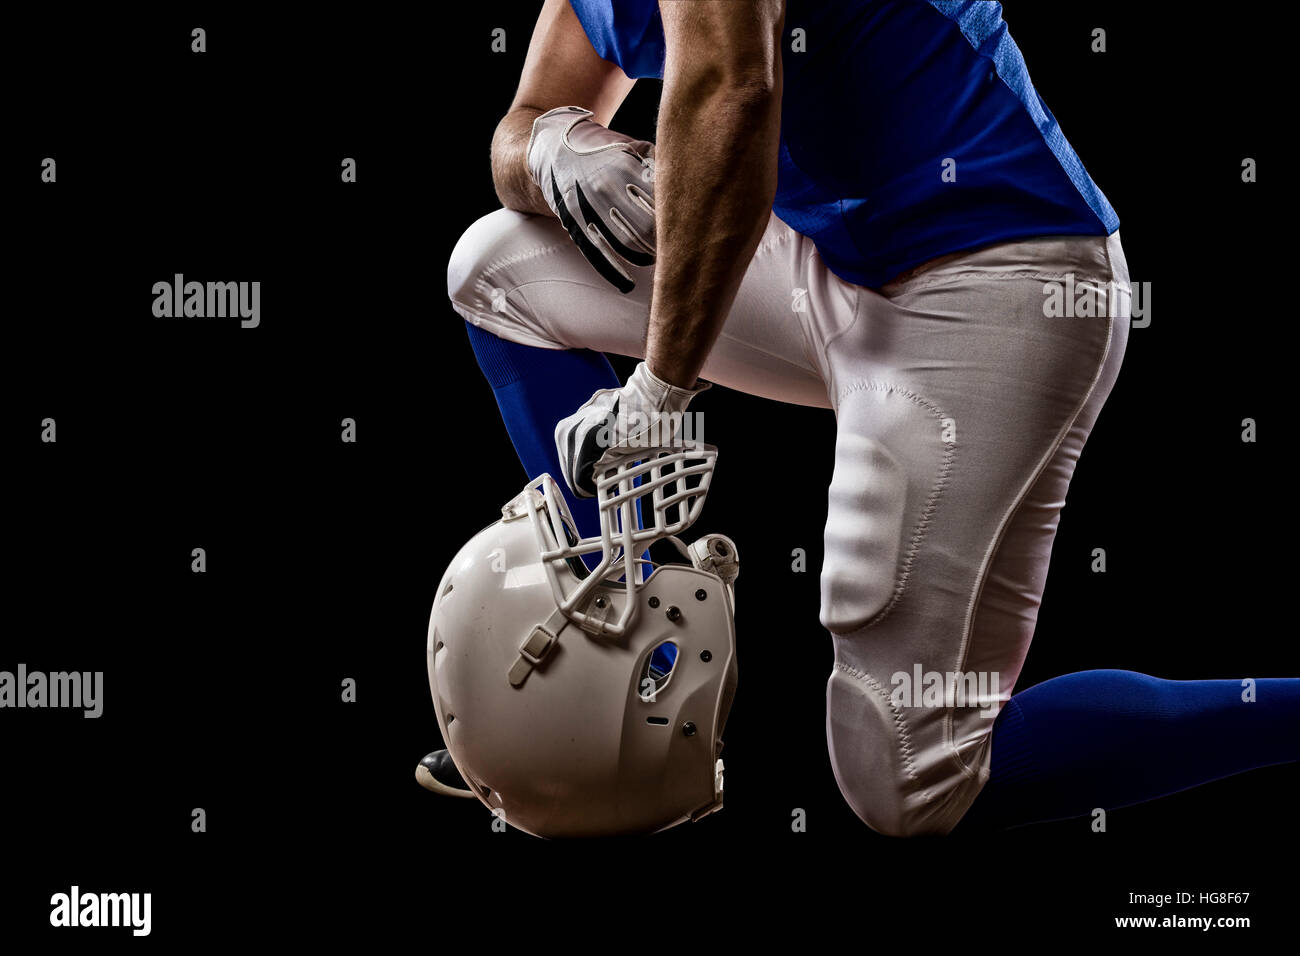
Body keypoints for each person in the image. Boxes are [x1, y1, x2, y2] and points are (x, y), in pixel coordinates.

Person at [419, 0, 1298, 835]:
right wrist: (555, 147)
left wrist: (659, 393)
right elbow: (523, 116)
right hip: (830, 263)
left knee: (909, 777)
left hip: (997, 278)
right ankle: (611, 627)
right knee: (492, 267)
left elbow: (735, 88)